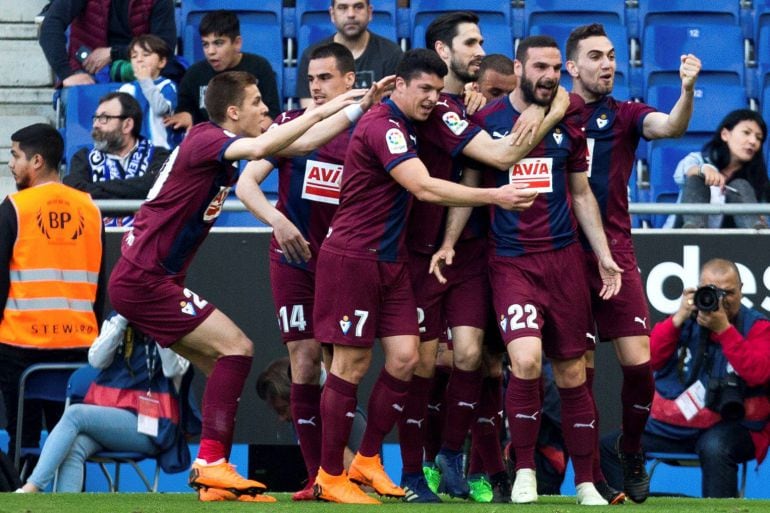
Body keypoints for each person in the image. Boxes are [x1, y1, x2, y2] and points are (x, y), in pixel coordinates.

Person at [107, 69, 361, 503]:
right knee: (237, 348)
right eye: (257, 102)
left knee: (220, 364)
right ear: (233, 112)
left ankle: (213, 479)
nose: (265, 109)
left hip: (148, 278)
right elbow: (264, 146)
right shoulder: (207, 139)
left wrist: (354, 108)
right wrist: (325, 108)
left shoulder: (215, 146)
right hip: (144, 279)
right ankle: (212, 463)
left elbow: (301, 144)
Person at [311, 48, 538, 505]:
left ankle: (368, 459)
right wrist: (494, 196)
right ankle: (329, 474)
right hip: (353, 256)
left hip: (391, 260)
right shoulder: (384, 126)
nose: (432, 98)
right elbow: (423, 187)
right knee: (349, 366)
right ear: (399, 85)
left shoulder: (415, 123)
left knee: (405, 358)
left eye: (437, 90)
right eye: (424, 89)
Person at [434, 35, 623, 506]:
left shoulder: (569, 120)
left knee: (573, 371)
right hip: (511, 261)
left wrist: (602, 253)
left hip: (563, 261)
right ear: (519, 68)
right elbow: (470, 184)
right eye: (540, 67)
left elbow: (581, 193)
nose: (549, 76)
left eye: (556, 68)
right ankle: (523, 471)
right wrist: (449, 242)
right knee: (525, 362)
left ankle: (585, 482)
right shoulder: (488, 122)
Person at [403, 12, 568, 503]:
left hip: (479, 247)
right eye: (471, 42)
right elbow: (498, 158)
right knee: (420, 362)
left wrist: (550, 103)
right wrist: (550, 113)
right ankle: (414, 469)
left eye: (481, 42)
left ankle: (461, 461)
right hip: (420, 247)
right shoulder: (429, 105)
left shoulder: (473, 107)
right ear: (443, 50)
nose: (479, 49)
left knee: (479, 358)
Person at [235, 42, 391, 501]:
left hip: (344, 262)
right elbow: (246, 184)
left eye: (326, 78)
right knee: (303, 362)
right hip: (293, 258)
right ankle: (316, 479)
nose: (317, 87)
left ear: (350, 80)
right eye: (311, 80)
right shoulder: (291, 124)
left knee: (341, 369)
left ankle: (347, 468)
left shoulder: (371, 129)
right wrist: (277, 220)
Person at [565, 22, 702, 503]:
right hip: (563, 252)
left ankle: (631, 448)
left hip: (616, 251)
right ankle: (591, 479)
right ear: (571, 66)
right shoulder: (555, 114)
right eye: (596, 56)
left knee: (639, 365)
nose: (608, 64)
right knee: (578, 370)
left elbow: (671, 127)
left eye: (611, 56)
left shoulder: (625, 114)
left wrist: (687, 91)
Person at [600, 258, 770, 498]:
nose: (721, 299)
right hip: (678, 426)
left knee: (715, 447)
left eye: (729, 292)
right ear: (698, 290)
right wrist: (677, 319)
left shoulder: (757, 326)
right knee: (612, 446)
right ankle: (626, 505)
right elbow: (649, 360)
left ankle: (720, 510)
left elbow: (759, 373)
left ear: (741, 290)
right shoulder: (686, 319)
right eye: (712, 291)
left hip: (731, 424)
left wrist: (724, 330)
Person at [0, 123, 104, 465]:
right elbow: (100, 284)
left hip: (20, 346)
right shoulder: (90, 209)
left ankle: (21, 486)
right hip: (80, 345)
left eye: (15, 156)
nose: (11, 164)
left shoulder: (15, 207)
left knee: (22, 439)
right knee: (70, 441)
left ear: (37, 161)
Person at [17, 312, 198, 493]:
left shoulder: (172, 322)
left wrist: (157, 321)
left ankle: (32, 487)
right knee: (75, 446)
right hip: (113, 423)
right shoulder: (119, 321)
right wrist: (122, 319)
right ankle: (66, 505)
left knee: (75, 414)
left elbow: (173, 369)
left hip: (154, 427)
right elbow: (96, 360)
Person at [63, 92, 169, 227]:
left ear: (127, 125)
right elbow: (75, 192)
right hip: (98, 237)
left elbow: (154, 187)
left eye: (104, 118)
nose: (96, 125)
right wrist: (133, 201)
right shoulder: (83, 158)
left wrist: (94, 190)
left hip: (148, 237)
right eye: (95, 118)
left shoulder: (159, 156)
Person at [166, 10, 281, 133]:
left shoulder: (259, 67)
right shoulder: (194, 74)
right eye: (205, 44)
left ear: (237, 43)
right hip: (209, 140)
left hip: (250, 139)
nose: (211, 51)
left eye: (218, 43)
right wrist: (186, 116)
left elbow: (272, 113)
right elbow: (185, 109)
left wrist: (254, 136)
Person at [256, 357, 366, 473]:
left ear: (299, 398)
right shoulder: (299, 422)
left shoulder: (352, 419)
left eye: (283, 410)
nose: (282, 418)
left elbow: (365, 480)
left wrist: (322, 433)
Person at [38, 0, 176, 87]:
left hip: (137, 70)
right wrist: (67, 74)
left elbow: (164, 46)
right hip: (88, 72)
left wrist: (113, 53)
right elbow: (51, 24)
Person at [295, 0, 402, 107]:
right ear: (332, 14)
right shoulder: (313, 57)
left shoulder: (391, 54)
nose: (351, 14)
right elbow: (310, 111)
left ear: (369, 12)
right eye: (343, 7)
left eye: (358, 7)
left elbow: (396, 108)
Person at [674, 109, 769, 229]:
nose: (753, 141)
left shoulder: (758, 181)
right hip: (684, 236)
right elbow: (681, 173)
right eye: (746, 132)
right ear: (725, 134)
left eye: (759, 138)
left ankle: (756, 232)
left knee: (740, 185)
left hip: (732, 240)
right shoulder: (699, 159)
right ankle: (694, 231)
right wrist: (704, 170)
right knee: (696, 178)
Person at [119, 35, 179, 150]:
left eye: (146, 55)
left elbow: (160, 109)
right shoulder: (126, 89)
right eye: (134, 56)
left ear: (161, 62)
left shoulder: (167, 85)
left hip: (160, 150)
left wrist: (146, 81)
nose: (139, 59)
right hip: (133, 151)